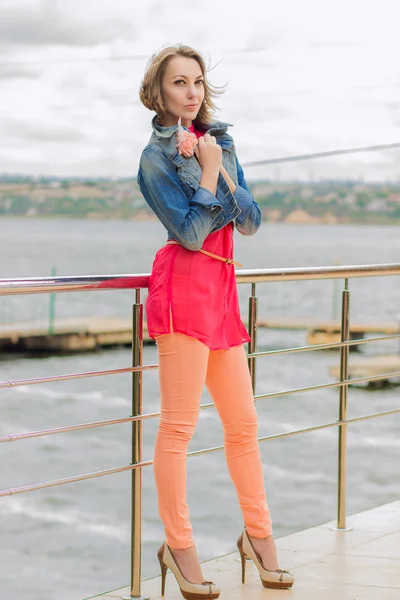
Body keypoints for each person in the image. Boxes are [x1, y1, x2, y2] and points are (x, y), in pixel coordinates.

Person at [137, 44, 294, 599]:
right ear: (159, 92)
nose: (192, 91)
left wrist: (219, 168)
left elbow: (250, 220)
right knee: (179, 427)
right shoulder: (154, 160)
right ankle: (179, 549)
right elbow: (190, 235)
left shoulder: (222, 141)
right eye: (180, 82)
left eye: (198, 81)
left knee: (243, 426)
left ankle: (260, 537)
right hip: (183, 290)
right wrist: (208, 176)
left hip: (222, 289)